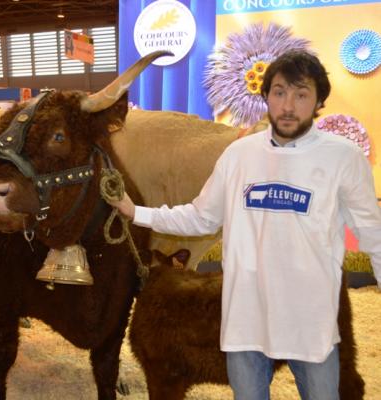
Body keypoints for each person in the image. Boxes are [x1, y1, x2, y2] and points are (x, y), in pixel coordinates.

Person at [109, 50, 381, 400]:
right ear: (266, 96)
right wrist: (136, 212)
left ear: (318, 101)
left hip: (311, 327)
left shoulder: (344, 157)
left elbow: (373, 235)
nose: (288, 105)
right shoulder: (239, 155)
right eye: (279, 92)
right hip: (245, 324)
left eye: (301, 94)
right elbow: (201, 216)